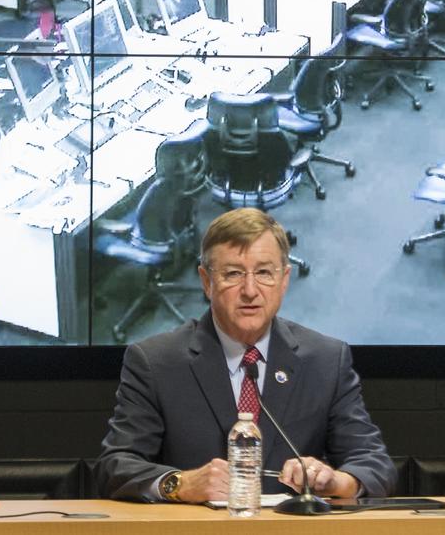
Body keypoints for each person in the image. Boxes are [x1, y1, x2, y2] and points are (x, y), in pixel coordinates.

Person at [95, 208, 396, 503]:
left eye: (264, 273)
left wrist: (334, 481)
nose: (250, 290)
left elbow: (373, 464)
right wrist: (181, 484)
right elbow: (115, 467)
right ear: (206, 282)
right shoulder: (156, 362)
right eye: (233, 274)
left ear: (285, 279)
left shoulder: (326, 360)